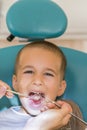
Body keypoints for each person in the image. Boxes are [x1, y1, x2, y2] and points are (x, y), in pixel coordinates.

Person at [0, 41, 86, 130]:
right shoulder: (2, 120)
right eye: (29, 72)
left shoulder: (69, 119)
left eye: (48, 74)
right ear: (15, 82)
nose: (37, 81)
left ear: (60, 87)